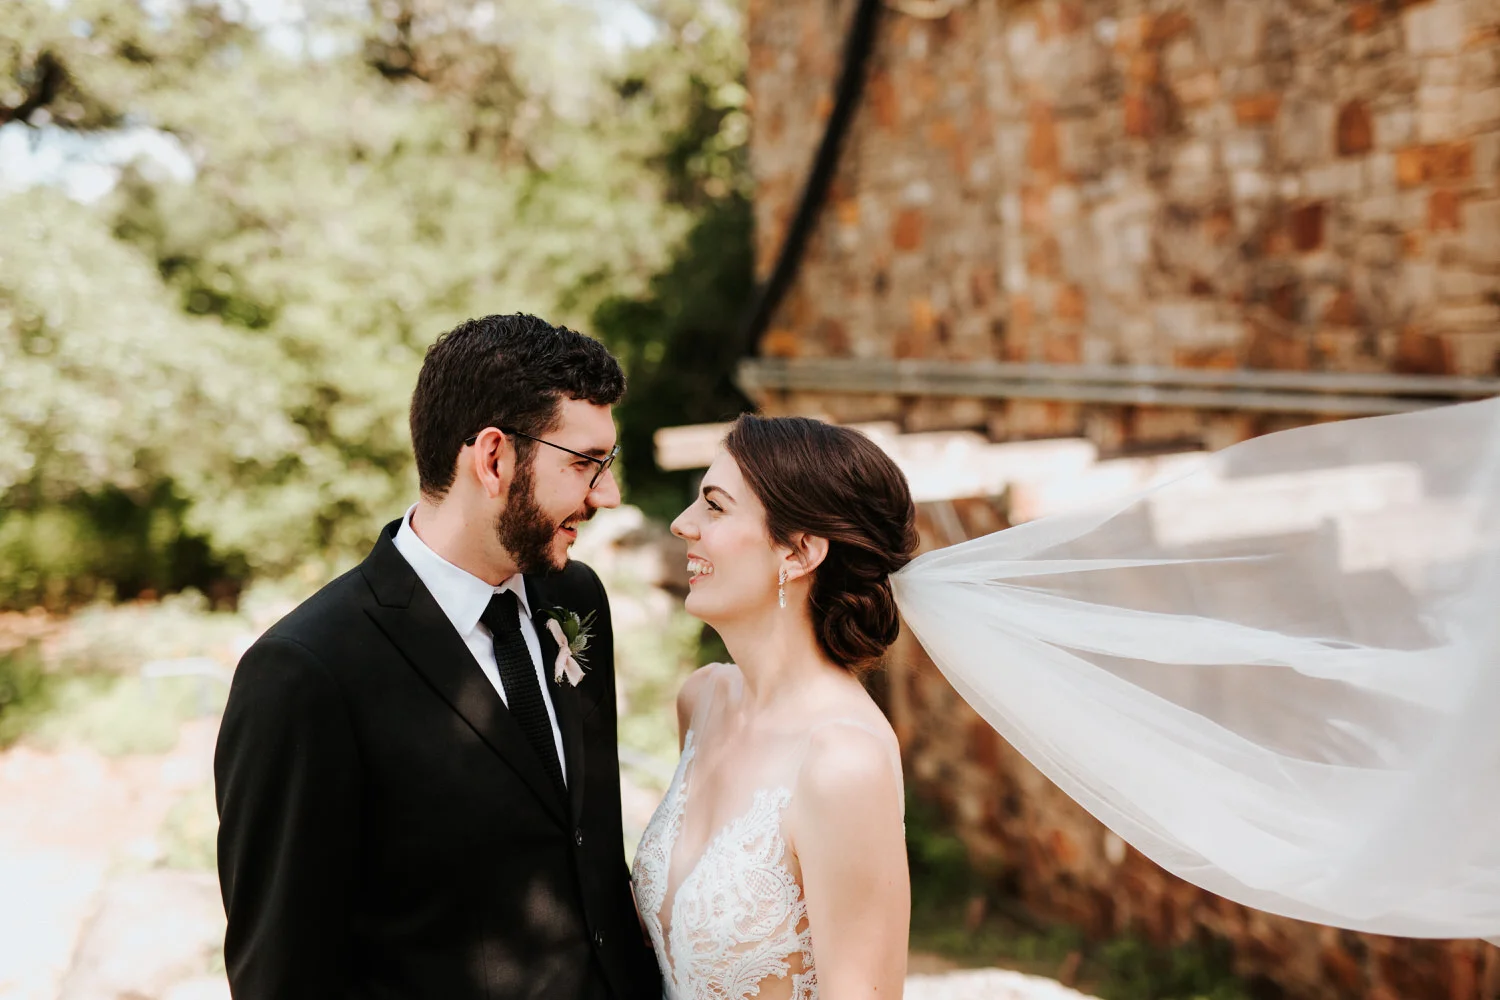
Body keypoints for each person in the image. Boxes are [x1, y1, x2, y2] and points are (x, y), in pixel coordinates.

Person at [214, 314, 661, 1000]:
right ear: (492, 458)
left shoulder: (577, 597)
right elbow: (283, 972)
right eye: (584, 465)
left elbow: (585, 854)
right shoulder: (307, 671)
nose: (608, 495)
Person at [632, 414, 916, 999]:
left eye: (714, 505)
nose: (684, 525)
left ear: (800, 551)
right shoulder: (703, 700)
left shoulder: (842, 763)